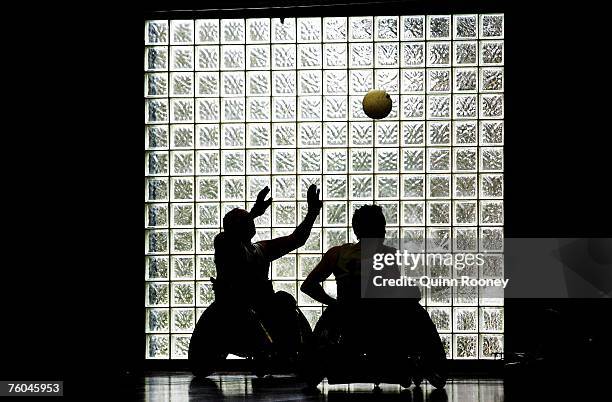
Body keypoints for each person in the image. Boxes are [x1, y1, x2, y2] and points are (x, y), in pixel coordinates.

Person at [300, 204, 447, 388]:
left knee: (333, 314)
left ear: (356, 230)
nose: (385, 232)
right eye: (383, 227)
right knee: (414, 309)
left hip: (348, 321)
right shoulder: (387, 255)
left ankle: (317, 365)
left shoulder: (338, 254)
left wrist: (334, 303)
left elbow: (308, 286)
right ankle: (433, 366)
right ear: (380, 230)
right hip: (383, 324)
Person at [189, 184, 323, 376]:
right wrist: (253, 213)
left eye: (248, 220)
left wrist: (312, 212)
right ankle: (267, 351)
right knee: (248, 310)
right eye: (244, 221)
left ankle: (289, 353)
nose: (252, 222)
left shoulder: (260, 249)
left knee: (285, 299)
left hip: (263, 304)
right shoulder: (223, 242)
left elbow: (297, 239)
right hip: (233, 305)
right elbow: (232, 240)